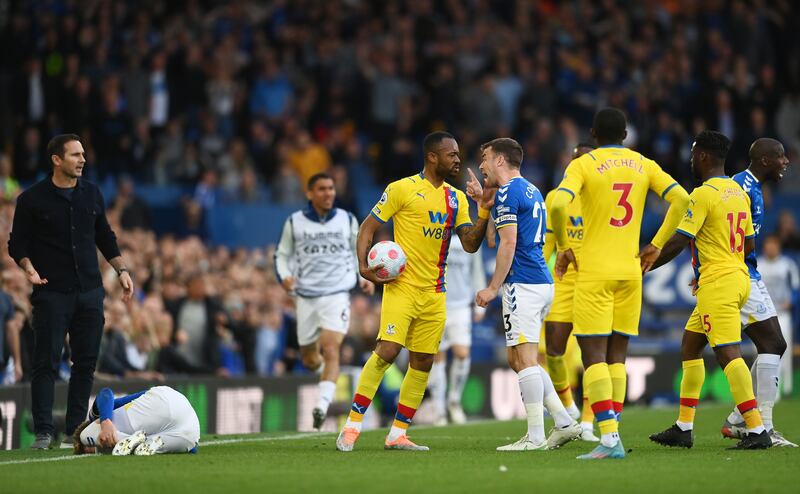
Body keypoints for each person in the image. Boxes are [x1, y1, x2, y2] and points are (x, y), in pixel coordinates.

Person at [336, 131, 493, 452]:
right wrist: (363, 267)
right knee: (387, 352)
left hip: (436, 293)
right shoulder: (401, 189)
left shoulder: (456, 198)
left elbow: (470, 244)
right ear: (432, 157)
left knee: (422, 362)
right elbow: (367, 226)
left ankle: (397, 433)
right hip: (401, 289)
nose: (458, 160)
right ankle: (352, 426)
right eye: (451, 154)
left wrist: (484, 210)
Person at [549, 108, 690, 459]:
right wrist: (655, 244)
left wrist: (564, 247)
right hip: (631, 271)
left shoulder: (582, 164)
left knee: (593, 354)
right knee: (618, 356)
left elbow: (557, 205)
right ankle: (615, 429)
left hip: (594, 271)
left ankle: (609, 439)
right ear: (626, 135)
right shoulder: (644, 163)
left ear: (594, 133)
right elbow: (682, 200)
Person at [7, 134, 134, 450]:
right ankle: (43, 431)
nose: (82, 160)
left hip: (90, 291)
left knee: (85, 364)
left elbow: (105, 236)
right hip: (52, 293)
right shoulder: (31, 200)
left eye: (83, 155)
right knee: (45, 363)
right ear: (56, 159)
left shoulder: (91, 194)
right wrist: (27, 267)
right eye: (75, 155)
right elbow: (16, 244)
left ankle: (74, 432)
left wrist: (122, 270)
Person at [649, 130, 772, 450]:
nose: (690, 160)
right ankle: (683, 427)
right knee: (690, 346)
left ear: (702, 156)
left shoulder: (702, 195)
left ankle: (758, 430)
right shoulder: (737, 192)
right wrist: (714, 266)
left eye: (692, 154)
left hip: (718, 284)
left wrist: (642, 265)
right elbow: (748, 245)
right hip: (736, 277)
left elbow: (678, 241)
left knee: (727, 353)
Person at [475, 137, 582, 451]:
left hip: (523, 282)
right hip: (540, 281)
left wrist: (493, 287)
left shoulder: (508, 192)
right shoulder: (532, 189)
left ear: (500, 160)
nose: (481, 164)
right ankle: (563, 421)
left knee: (524, 358)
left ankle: (535, 436)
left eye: (485, 157)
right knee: (518, 359)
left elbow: (507, 244)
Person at [275, 172, 374, 430]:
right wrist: (285, 277)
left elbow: (357, 251)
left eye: (331, 188)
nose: (328, 193)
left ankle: (321, 405)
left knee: (331, 349)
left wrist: (363, 275)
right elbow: (281, 256)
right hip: (306, 297)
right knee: (309, 359)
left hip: (337, 294)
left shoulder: (347, 219)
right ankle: (323, 378)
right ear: (309, 193)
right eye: (321, 189)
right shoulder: (294, 222)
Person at [720, 138, 796, 447]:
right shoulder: (738, 187)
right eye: (780, 157)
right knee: (773, 342)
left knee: (774, 343)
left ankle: (741, 418)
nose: (786, 162)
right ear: (765, 160)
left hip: (745, 273)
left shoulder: (752, 187)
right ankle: (760, 425)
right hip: (735, 274)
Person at [543, 142, 599, 443]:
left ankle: (589, 423)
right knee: (553, 349)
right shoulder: (556, 198)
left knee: (592, 354)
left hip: (593, 281)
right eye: (574, 160)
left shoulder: (604, 199)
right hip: (562, 281)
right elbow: (548, 244)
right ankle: (567, 404)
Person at [428, 231, 486, 425]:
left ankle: (454, 400)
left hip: (461, 305)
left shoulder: (468, 239)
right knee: (438, 356)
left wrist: (478, 304)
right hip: (438, 303)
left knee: (462, 353)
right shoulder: (434, 235)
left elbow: (476, 270)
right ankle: (439, 409)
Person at [73, 386, 200, 455]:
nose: (103, 444)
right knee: (145, 448)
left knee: (88, 435)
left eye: (94, 444)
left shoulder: (96, 418)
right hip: (190, 431)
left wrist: (105, 421)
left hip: (161, 401)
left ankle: (133, 440)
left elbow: (106, 393)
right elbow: (192, 449)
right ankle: (141, 443)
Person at [757, 235, 799, 397]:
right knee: (761, 351)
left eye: (774, 245)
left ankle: (785, 388)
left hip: (782, 313)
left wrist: (792, 300)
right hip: (763, 313)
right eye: (768, 245)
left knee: (784, 349)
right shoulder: (758, 264)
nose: (771, 248)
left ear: (778, 247)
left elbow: (795, 287)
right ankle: (765, 389)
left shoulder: (787, 265)